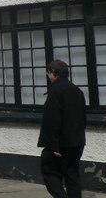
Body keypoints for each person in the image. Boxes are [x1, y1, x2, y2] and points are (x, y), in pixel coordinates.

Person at [38, 59, 87, 198]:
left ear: (54, 73)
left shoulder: (55, 91)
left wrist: (54, 146)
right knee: (72, 175)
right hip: (77, 142)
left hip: (60, 144)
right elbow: (82, 118)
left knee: (49, 172)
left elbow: (52, 120)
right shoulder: (77, 91)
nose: (48, 76)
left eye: (48, 73)